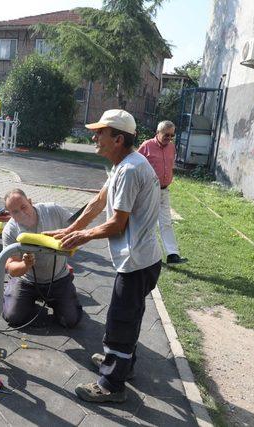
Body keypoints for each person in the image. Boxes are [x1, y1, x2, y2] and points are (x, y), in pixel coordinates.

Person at [45, 109, 162, 403]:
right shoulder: (122, 165)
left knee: (120, 321)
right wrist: (68, 229)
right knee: (128, 315)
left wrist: (81, 237)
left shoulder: (131, 170)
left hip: (137, 262)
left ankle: (111, 385)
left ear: (118, 139)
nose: (94, 137)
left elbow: (116, 223)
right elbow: (98, 203)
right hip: (139, 259)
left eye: (100, 133)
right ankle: (123, 365)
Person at [1, 188, 82, 328]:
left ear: (31, 202)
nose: (21, 213)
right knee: (12, 318)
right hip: (27, 280)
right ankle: (18, 294)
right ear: (10, 214)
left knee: (71, 321)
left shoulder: (52, 210)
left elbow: (77, 227)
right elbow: (10, 267)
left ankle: (61, 296)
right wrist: (24, 265)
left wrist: (69, 240)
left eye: (23, 207)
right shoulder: (10, 230)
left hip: (58, 277)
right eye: (15, 212)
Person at [138, 120, 187, 264]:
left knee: (166, 222)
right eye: (166, 135)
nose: (169, 138)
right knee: (147, 223)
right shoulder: (146, 146)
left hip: (164, 191)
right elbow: (134, 165)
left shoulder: (171, 147)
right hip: (148, 191)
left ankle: (172, 255)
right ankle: (143, 254)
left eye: (172, 135)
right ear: (158, 132)